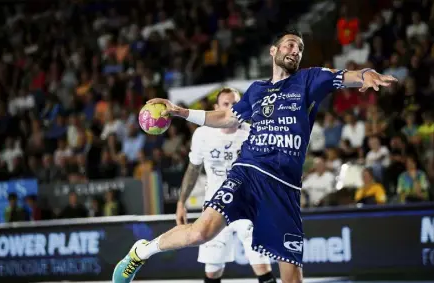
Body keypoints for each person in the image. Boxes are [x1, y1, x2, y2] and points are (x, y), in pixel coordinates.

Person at [112, 29, 397, 283]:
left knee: (291, 277)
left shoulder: (310, 79)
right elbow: (225, 116)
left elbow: (343, 77)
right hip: (247, 172)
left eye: (299, 48)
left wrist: (364, 74)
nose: (294, 50)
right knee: (201, 233)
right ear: (273, 51)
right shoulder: (257, 90)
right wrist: (181, 112)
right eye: (288, 45)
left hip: (284, 187)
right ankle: (141, 251)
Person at [175, 87, 275, 283]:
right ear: (216, 108)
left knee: (261, 265)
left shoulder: (252, 132)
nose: (232, 108)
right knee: (213, 272)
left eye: (235, 104)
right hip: (215, 207)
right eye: (226, 104)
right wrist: (181, 203)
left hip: (248, 207)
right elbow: (193, 169)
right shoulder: (202, 135)